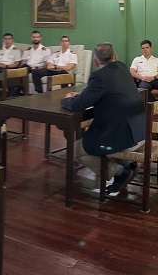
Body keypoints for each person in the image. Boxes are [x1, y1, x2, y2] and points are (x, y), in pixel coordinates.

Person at [61, 42, 145, 194]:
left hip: (119, 132)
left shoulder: (98, 77)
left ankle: (119, 171)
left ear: (95, 61)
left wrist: (66, 100)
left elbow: (78, 105)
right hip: (138, 130)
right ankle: (128, 164)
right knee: (92, 141)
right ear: (115, 57)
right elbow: (107, 92)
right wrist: (83, 96)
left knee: (76, 150)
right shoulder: (122, 67)